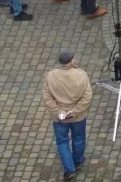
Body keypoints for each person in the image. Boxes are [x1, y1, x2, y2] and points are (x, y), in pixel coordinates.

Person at [42, 50, 92, 180]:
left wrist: (59, 112)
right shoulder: (81, 75)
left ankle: (69, 170)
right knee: (79, 138)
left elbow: (47, 98)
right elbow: (87, 97)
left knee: (62, 142)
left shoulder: (51, 76)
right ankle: (78, 161)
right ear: (71, 61)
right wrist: (75, 111)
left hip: (59, 118)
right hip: (78, 116)